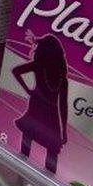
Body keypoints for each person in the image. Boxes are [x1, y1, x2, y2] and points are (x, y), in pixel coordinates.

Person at [11, 33, 69, 174]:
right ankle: (47, 181)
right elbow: (63, 106)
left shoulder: (39, 66)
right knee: (51, 150)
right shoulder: (62, 78)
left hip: (38, 106)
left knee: (28, 139)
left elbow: (16, 71)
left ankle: (21, 171)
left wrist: (28, 90)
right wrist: (64, 131)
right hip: (51, 112)